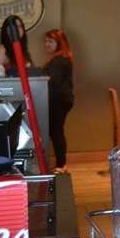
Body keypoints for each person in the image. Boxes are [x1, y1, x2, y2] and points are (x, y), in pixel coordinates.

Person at [42, 29, 75, 174]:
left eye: (51, 41)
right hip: (62, 99)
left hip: (59, 100)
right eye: (46, 41)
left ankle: (61, 165)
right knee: (56, 131)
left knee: (56, 131)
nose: (47, 44)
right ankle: (61, 164)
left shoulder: (58, 61)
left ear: (59, 43)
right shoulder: (61, 59)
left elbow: (52, 80)